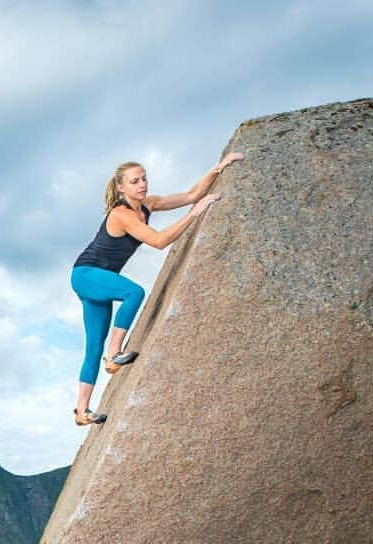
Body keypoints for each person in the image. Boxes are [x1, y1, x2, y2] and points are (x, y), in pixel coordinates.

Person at [70, 153, 244, 426]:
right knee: (134, 293)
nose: (142, 184)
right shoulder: (122, 214)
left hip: (97, 279)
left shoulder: (148, 205)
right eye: (134, 181)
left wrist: (217, 169)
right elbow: (160, 240)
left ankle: (81, 411)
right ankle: (114, 355)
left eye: (144, 178)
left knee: (92, 347)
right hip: (86, 275)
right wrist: (195, 214)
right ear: (121, 188)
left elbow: (189, 195)